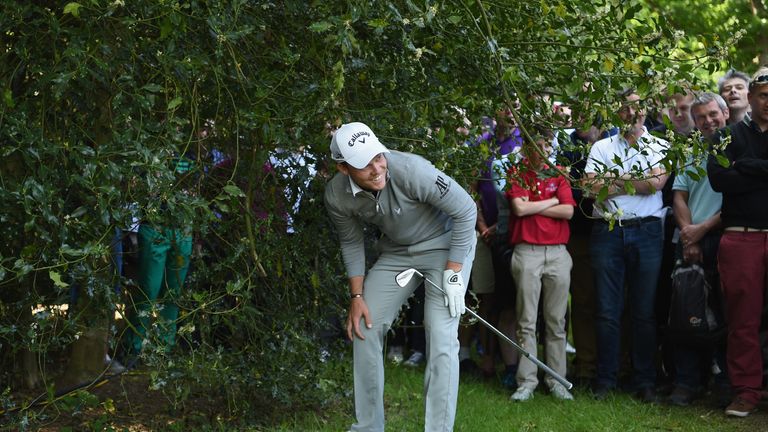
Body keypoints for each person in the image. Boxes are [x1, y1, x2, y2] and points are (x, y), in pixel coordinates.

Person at [325, 122, 476, 432]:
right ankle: (368, 427)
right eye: (363, 164)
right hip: (398, 253)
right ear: (342, 168)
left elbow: (465, 209)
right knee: (365, 324)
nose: (377, 167)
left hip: (447, 247)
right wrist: (356, 298)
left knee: (441, 334)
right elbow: (351, 243)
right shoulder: (337, 195)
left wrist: (454, 273)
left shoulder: (410, 169)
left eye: (377, 156)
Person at [584, 90, 669, 402]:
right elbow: (589, 188)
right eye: (625, 108)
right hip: (608, 232)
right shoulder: (601, 146)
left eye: (637, 107)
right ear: (617, 112)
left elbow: (656, 183)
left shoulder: (661, 145)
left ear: (645, 111)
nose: (631, 113)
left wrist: (612, 181)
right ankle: (606, 380)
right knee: (607, 310)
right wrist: (635, 181)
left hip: (647, 232)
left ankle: (644, 380)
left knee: (644, 311)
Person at [707, 67, 768, 418]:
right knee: (742, 321)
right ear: (751, 96)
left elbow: (735, 174)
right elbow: (719, 180)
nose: (767, 102)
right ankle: (746, 391)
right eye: (763, 95)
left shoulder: (739, 150)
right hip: (740, 238)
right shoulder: (725, 137)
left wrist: (745, 167)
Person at [666, 91, 728, 406]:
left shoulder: (739, 146)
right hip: (691, 238)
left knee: (725, 313)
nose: (707, 121)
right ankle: (687, 382)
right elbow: (679, 195)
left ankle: (724, 382)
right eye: (701, 116)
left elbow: (737, 200)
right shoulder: (691, 150)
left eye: (713, 114)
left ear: (726, 114)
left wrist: (701, 231)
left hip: (725, 237)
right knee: (686, 311)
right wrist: (689, 235)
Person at [506, 128, 576, 402]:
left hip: (558, 253)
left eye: (546, 146)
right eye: (536, 145)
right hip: (527, 251)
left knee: (556, 321)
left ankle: (557, 380)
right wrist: (553, 201)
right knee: (526, 320)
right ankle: (527, 382)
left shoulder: (559, 172)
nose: (541, 151)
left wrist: (535, 203)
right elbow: (519, 210)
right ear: (526, 147)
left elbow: (568, 211)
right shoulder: (517, 172)